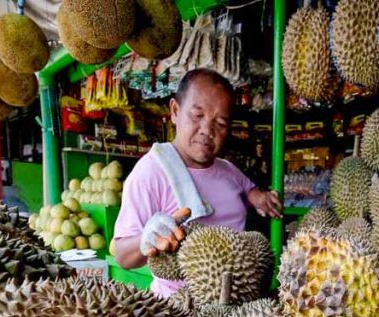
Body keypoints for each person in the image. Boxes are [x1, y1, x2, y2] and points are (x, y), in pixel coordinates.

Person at [113, 68, 282, 297]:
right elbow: (122, 256)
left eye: (220, 123)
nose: (207, 131)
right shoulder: (150, 172)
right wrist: (146, 238)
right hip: (182, 315)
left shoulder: (228, 169)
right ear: (175, 111)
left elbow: (247, 188)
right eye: (197, 115)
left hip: (239, 301)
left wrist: (259, 198)